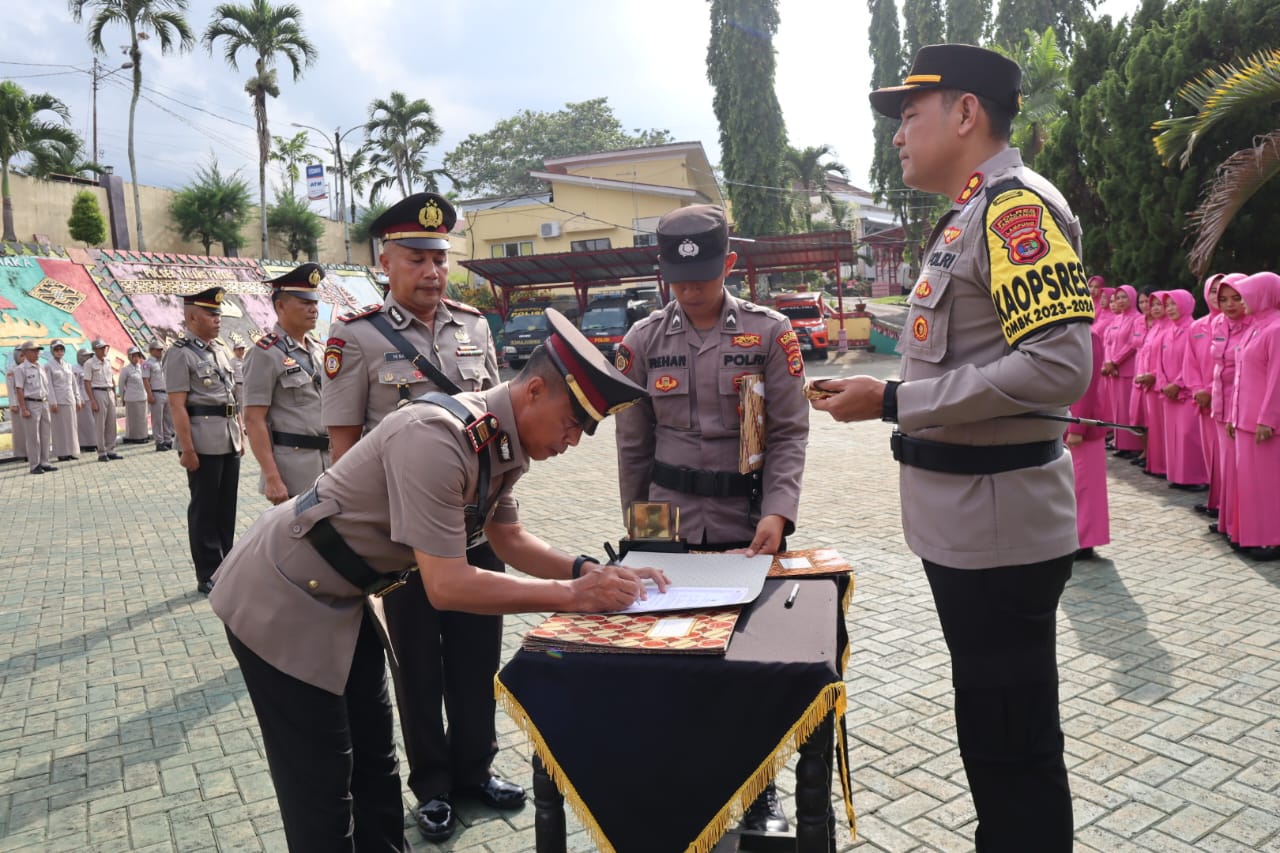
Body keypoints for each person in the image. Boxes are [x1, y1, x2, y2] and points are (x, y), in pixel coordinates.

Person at [209, 310, 665, 853]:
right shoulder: (439, 436)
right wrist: (570, 597)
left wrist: (588, 571)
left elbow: (508, 541)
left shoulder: (499, 441)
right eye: (572, 423)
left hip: (343, 598)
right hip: (280, 596)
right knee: (322, 786)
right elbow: (446, 585)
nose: (573, 440)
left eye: (585, 430)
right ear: (535, 390)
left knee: (376, 766)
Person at [813, 45, 1089, 849]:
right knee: (994, 741)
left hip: (999, 531)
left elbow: (1059, 363)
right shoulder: (972, 212)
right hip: (973, 529)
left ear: (966, 113)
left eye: (910, 115)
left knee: (1015, 751)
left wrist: (895, 400)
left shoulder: (1014, 211)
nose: (899, 136)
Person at [321, 192, 515, 842]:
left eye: (440, 257)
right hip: (403, 545)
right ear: (386, 261)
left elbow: (496, 424)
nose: (432, 272)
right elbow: (344, 447)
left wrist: (504, 501)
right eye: (416, 257)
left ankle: (475, 771)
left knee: (475, 659)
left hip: (475, 528)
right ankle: (432, 785)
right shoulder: (356, 336)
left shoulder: (475, 327)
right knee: (419, 668)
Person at [613, 203, 809, 832]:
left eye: (701, 275)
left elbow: (789, 432)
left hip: (744, 520)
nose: (689, 288)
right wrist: (637, 531)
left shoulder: (770, 332)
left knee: (747, 660)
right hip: (665, 522)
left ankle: (758, 788)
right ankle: (681, 770)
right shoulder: (641, 342)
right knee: (668, 650)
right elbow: (632, 445)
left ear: (728, 263)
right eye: (677, 277)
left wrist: (779, 511)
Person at [164, 287, 243, 595]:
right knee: (204, 508)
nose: (217, 319)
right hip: (202, 440)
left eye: (218, 314)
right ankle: (208, 572)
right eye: (211, 314)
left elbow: (231, 397)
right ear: (192, 316)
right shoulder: (180, 353)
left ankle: (228, 564)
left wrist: (240, 434)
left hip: (228, 437)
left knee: (227, 507)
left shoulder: (220, 349)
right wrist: (187, 448)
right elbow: (177, 405)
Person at [243, 263, 330, 502]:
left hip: (329, 463)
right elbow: (254, 418)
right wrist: (271, 477)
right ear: (280, 306)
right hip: (293, 470)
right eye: (305, 303)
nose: (313, 309)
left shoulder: (318, 350)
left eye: (314, 303)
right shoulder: (265, 353)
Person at [1226, 271, 1280, 560]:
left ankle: (1271, 538)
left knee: (1268, 484)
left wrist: (1268, 419)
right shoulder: (1255, 327)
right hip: (1246, 420)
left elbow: (1277, 379)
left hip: (1264, 423)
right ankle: (1250, 534)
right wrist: (1235, 416)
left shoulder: (1276, 328)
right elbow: (1242, 376)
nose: (1241, 301)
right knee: (1249, 484)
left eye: (1246, 294)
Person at [1209, 277, 1250, 545]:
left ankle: (1242, 524)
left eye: (1236, 298)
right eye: (1223, 299)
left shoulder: (1255, 327)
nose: (1229, 304)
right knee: (1227, 467)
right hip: (1220, 403)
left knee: (1241, 470)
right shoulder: (1218, 324)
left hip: (1243, 407)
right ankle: (1227, 521)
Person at [1182, 275, 1225, 516]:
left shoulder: (1236, 324)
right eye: (1214, 291)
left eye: (1224, 291)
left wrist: (1211, 391)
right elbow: (1190, 363)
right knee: (1211, 453)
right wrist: (1198, 390)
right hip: (1203, 401)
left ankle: (1225, 507)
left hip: (1225, 400)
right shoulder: (1196, 327)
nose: (1217, 297)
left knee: (1225, 457)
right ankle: (1215, 501)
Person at [1157, 290, 1208, 490]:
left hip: (1185, 393)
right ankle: (1179, 476)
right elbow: (1158, 362)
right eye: (1167, 305)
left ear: (1186, 305)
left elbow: (1193, 362)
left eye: (1174, 304)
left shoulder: (1193, 329)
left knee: (1189, 435)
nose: (1170, 309)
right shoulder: (1167, 332)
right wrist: (1163, 383)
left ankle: (1197, 478)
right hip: (1169, 394)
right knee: (1174, 436)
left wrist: (1178, 384)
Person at [1068, 327, 1109, 560]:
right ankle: (1077, 537)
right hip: (1068, 420)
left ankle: (1085, 541)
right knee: (1075, 484)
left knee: (1085, 485)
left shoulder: (1088, 336)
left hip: (1083, 424)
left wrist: (1077, 426)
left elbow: (1087, 385)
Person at [1100, 285, 1143, 458]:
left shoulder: (1136, 319)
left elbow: (1132, 344)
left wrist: (1115, 362)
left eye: (1124, 297)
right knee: (1117, 408)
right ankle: (1121, 443)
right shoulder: (1117, 319)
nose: (1120, 301)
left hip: (1127, 369)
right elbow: (1109, 343)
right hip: (1114, 371)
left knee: (1127, 409)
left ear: (1132, 298)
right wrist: (1109, 364)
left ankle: (1131, 445)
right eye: (1118, 298)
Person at [1132, 291, 1169, 476]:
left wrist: (1154, 376)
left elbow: (1168, 360)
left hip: (1159, 385)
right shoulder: (1156, 327)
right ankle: (1155, 463)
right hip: (1147, 383)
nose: (1153, 308)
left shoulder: (1168, 328)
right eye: (1150, 304)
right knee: (1151, 425)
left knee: (1161, 428)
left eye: (1157, 304)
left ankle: (1162, 465)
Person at [13, 341, 56, 474]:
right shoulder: (20, 369)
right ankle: (34, 465)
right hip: (30, 403)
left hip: (43, 403)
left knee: (45, 434)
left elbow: (46, 387)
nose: (37, 353)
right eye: (33, 351)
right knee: (33, 437)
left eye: (38, 351)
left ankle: (45, 461)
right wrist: (24, 408)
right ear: (24, 353)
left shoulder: (40, 367)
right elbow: (19, 390)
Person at [83, 338, 121, 462]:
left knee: (111, 422)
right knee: (100, 424)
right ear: (95, 350)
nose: (104, 350)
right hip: (98, 392)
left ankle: (111, 449)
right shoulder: (89, 363)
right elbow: (87, 383)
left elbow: (112, 380)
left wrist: (114, 395)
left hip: (109, 391)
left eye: (104, 347)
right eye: (101, 348)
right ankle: (101, 452)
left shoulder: (108, 362)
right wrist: (92, 400)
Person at [44, 340, 83, 461]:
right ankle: (61, 452)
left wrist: (78, 398)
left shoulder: (68, 365)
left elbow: (74, 384)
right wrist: (52, 401)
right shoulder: (48, 366)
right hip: (58, 400)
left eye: (61, 349)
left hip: (69, 398)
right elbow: (49, 385)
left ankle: (71, 451)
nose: (59, 352)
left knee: (71, 426)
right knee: (59, 427)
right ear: (52, 351)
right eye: (56, 349)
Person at [142, 340, 173, 451]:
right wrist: (149, 394)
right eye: (158, 350)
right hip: (156, 393)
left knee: (167, 418)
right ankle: (159, 442)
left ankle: (168, 440)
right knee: (157, 419)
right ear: (151, 350)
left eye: (161, 349)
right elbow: (145, 380)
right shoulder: (147, 363)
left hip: (166, 392)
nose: (160, 352)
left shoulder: (164, 362)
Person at [118, 346, 150, 443]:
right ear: (129, 357)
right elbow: (121, 385)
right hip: (131, 398)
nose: (136, 358)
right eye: (134, 356)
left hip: (142, 397)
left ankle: (143, 435)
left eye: (137, 356)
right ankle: (134, 437)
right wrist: (122, 398)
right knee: (133, 419)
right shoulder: (126, 370)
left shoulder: (142, 367)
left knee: (142, 418)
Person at [7, 347, 28, 463]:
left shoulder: (28, 368)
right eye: (21, 356)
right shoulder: (11, 370)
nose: (24, 358)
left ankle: (32, 452)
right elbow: (11, 389)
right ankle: (23, 453)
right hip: (17, 404)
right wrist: (13, 404)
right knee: (21, 431)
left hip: (27, 401)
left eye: (25, 355)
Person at [74, 349, 96, 453]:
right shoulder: (76, 369)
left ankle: (94, 441)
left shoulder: (90, 367)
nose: (88, 358)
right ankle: (86, 443)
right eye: (86, 356)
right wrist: (79, 398)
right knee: (86, 422)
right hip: (83, 398)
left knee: (93, 422)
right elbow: (76, 385)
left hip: (92, 397)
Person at [230, 342, 246, 409]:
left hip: (246, 386)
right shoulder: (232, 362)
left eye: (242, 349)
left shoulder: (245, 360)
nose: (241, 351)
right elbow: (231, 375)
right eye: (239, 349)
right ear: (234, 350)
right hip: (238, 386)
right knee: (241, 405)